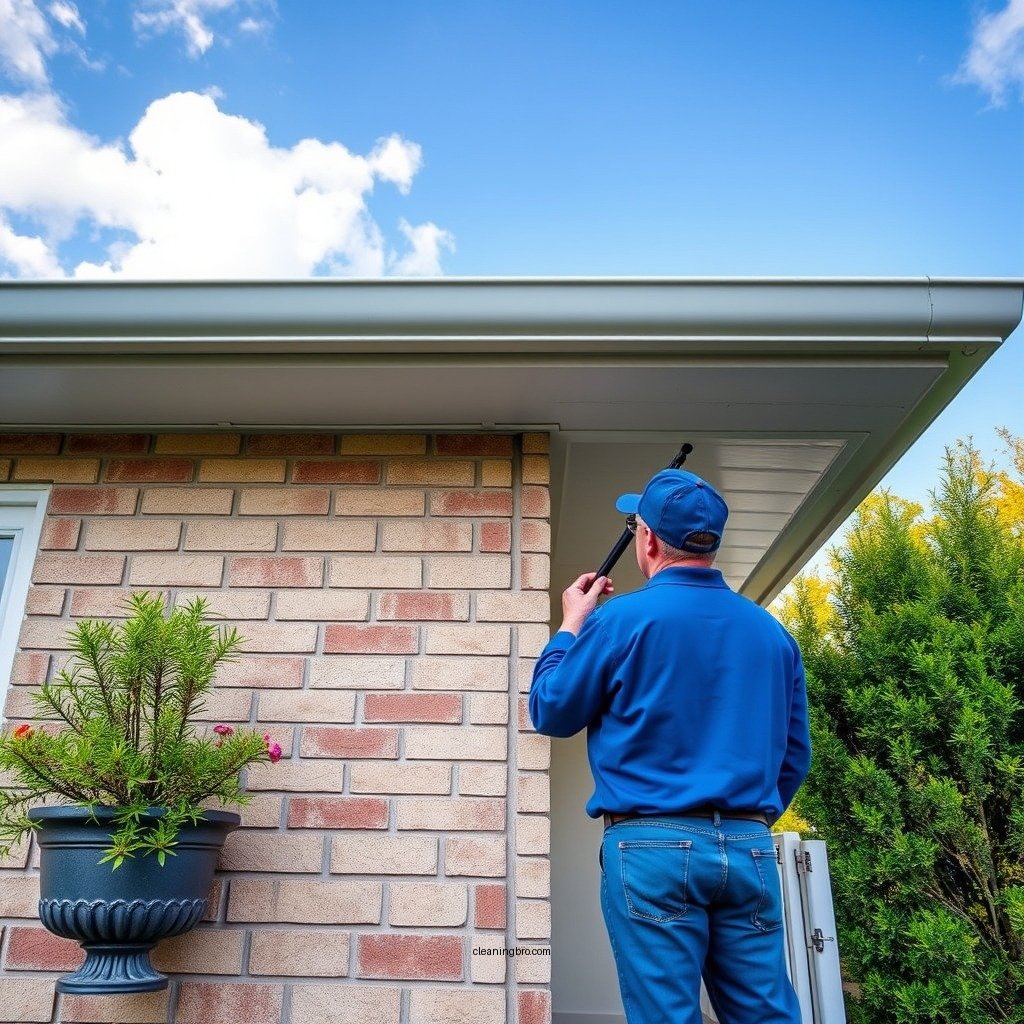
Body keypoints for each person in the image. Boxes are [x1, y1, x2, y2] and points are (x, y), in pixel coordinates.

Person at [529, 468, 810, 1024]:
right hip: (748, 845)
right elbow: (793, 754)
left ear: (650, 540)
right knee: (767, 1015)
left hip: (650, 848)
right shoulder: (772, 633)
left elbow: (551, 709)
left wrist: (570, 626)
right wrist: (743, 821)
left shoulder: (618, 621)